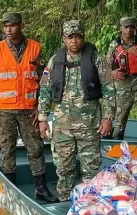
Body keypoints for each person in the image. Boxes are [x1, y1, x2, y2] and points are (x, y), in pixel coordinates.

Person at [38, 20, 115, 200]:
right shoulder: (55, 60)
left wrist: (108, 118)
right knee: (64, 168)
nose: (74, 41)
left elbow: (109, 88)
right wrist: (42, 118)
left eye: (78, 36)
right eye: (70, 37)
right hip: (62, 125)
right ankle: (64, 201)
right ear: (64, 39)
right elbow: (45, 89)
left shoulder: (95, 58)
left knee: (91, 168)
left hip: (89, 125)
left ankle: (90, 204)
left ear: (83, 37)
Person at [0, 12, 56, 202]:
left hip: (29, 109)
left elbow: (46, 80)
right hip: (5, 110)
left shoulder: (35, 48)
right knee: (6, 149)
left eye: (12, 25)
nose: (8, 29)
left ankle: (41, 188)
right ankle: (10, 190)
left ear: (21, 26)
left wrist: (41, 109)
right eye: (5, 26)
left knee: (35, 149)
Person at [107, 17, 137, 141]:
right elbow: (105, 67)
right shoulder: (114, 45)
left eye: (131, 27)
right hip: (122, 85)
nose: (129, 30)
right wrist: (112, 73)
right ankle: (116, 143)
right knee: (120, 119)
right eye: (126, 27)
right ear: (121, 28)